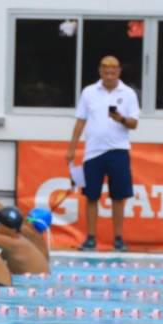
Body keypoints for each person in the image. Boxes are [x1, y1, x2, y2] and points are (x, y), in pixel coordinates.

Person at [65, 55, 140, 252]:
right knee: (91, 196)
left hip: (118, 150)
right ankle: (90, 238)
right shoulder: (89, 92)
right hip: (93, 152)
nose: (109, 74)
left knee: (118, 197)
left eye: (113, 70)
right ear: (100, 71)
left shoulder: (129, 93)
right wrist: (72, 148)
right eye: (105, 71)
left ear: (119, 71)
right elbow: (80, 120)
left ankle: (118, 238)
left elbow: (134, 123)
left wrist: (120, 119)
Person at [0, 179, 52, 263]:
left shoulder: (31, 233)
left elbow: (3, 213)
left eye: (29, 218)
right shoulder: (34, 237)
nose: (25, 219)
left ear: (35, 222)